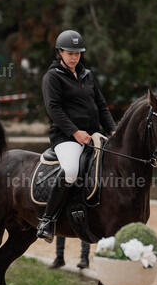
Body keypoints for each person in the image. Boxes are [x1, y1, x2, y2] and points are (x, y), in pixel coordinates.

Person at [37, 29, 116, 242]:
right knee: (71, 170)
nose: (74, 57)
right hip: (65, 137)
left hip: (92, 135)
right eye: (70, 53)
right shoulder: (52, 77)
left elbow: (101, 105)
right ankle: (47, 220)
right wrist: (75, 132)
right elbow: (54, 109)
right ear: (60, 53)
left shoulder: (87, 75)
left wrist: (113, 130)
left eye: (77, 53)